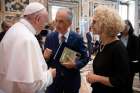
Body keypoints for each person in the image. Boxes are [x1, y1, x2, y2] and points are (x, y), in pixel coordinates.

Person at [0, 2, 56, 93]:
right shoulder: (27, 39)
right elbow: (29, 86)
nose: (44, 27)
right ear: (38, 19)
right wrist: (50, 75)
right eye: (44, 22)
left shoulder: (15, 29)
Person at [86, 5, 131, 93]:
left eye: (94, 22)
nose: (91, 25)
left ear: (105, 24)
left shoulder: (118, 48)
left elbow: (121, 81)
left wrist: (96, 78)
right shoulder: (103, 44)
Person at [44, 8, 89, 93]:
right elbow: (45, 61)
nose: (57, 24)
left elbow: (85, 57)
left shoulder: (77, 38)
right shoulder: (50, 37)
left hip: (71, 83)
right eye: (56, 20)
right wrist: (45, 58)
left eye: (61, 21)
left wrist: (75, 64)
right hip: (53, 84)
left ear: (69, 23)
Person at [120, 20, 139, 93]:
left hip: (130, 66)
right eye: (123, 25)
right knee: (119, 84)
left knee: (128, 85)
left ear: (129, 27)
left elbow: (136, 53)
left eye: (126, 25)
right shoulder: (118, 37)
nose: (124, 27)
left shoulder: (134, 38)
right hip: (118, 66)